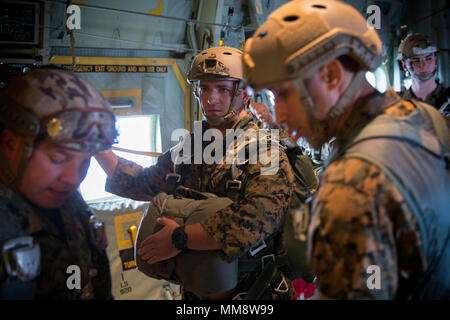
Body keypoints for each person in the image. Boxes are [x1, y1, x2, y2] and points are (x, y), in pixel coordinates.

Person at [243, 0, 450, 299]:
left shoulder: (354, 180)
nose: (281, 116)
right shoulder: (424, 119)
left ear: (331, 76)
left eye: (284, 94)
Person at [95, 46, 296, 299]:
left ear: (244, 92)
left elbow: (258, 218)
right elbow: (141, 183)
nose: (211, 99)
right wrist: (96, 145)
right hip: (198, 291)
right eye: (204, 89)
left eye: (222, 89)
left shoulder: (265, 150)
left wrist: (179, 239)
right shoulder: (188, 149)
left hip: (255, 293)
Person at [0, 66, 116, 299]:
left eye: (85, 161)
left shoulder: (71, 206)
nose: (73, 179)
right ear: (10, 145)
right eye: (58, 158)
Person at [398, 33, 449, 116]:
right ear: (404, 66)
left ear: (435, 60)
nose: (424, 65)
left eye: (429, 58)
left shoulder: (447, 99)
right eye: (416, 60)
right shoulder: (399, 104)